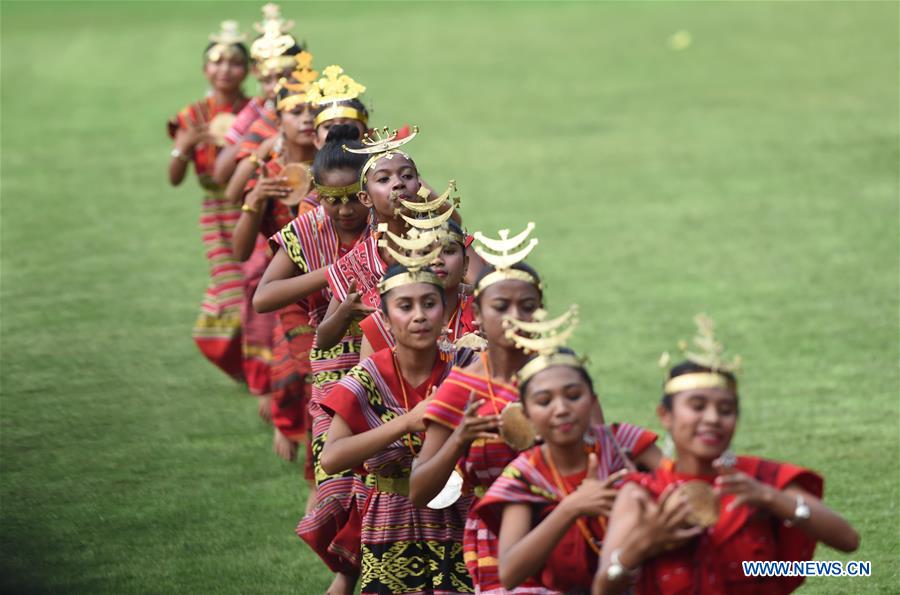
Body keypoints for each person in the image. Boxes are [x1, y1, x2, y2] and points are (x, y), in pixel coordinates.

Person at [592, 315, 859, 595]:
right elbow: (603, 589)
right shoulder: (642, 494)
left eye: (725, 410)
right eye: (697, 406)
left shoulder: (757, 479)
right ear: (666, 416)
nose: (712, 419)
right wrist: (641, 545)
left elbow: (848, 540)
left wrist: (771, 498)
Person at [258, 124, 371, 594]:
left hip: (392, 363)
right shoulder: (308, 229)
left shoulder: (392, 223)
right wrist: (331, 273)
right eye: (333, 199)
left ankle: (352, 579)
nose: (345, 210)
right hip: (333, 368)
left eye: (354, 197)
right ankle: (348, 574)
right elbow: (265, 296)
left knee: (383, 483)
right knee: (338, 487)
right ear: (317, 194)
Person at [472, 312, 660, 592]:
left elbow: (681, 485)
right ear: (527, 415)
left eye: (573, 396)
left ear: (592, 401)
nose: (561, 409)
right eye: (544, 401)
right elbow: (510, 573)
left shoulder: (624, 443)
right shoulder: (526, 474)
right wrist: (573, 506)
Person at [319, 263, 474, 594]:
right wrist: (407, 421)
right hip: (391, 518)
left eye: (429, 304)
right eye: (405, 307)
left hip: (460, 513)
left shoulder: (467, 367)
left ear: (444, 311)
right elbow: (331, 459)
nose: (419, 316)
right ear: (386, 320)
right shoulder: (368, 376)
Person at [410, 224, 548, 593]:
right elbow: (420, 489)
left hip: (565, 528)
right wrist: (459, 440)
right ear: (480, 315)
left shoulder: (561, 378)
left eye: (527, 306)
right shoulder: (462, 387)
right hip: (496, 535)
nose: (514, 315)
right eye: (500, 307)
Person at [167, 20, 250, 382]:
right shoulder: (192, 116)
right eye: (217, 61)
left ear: (247, 70)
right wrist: (182, 149)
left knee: (251, 287)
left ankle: (267, 370)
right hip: (217, 213)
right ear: (205, 69)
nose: (225, 70)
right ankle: (254, 368)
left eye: (234, 62)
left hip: (252, 208)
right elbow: (174, 178)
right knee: (232, 292)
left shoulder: (255, 109)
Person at [212, 2, 305, 186]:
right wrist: (257, 136)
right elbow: (220, 175)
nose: (277, 87)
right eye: (268, 80)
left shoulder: (316, 106)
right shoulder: (257, 111)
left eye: (284, 76)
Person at [358, 219, 477, 360]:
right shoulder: (380, 325)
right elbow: (369, 380)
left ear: (465, 264)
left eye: (448, 251)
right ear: (406, 262)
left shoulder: (484, 313)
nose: (437, 260)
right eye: (425, 252)